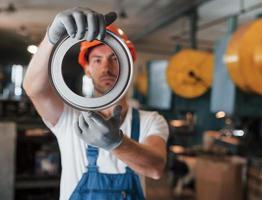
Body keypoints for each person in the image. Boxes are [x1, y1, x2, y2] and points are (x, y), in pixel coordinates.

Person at [23, 7, 169, 200]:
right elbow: (34, 89)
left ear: (128, 65)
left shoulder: (150, 120)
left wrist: (116, 143)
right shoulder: (68, 117)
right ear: (87, 69)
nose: (106, 68)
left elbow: (156, 168)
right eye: (97, 60)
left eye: (114, 59)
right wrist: (52, 38)